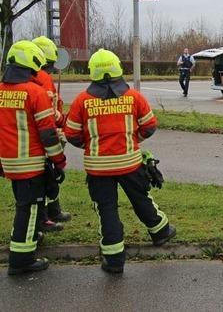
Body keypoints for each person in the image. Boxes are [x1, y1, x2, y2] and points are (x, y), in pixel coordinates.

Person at [64, 49, 176, 273]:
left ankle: (114, 260)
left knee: (107, 209)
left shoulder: (82, 101)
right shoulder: (133, 96)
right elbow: (150, 126)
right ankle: (161, 231)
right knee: (141, 198)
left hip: (98, 167)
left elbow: (71, 134)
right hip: (129, 162)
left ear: (92, 72)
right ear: (118, 69)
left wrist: (91, 146)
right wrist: (134, 139)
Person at [0, 40, 66, 275]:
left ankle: (32, 238)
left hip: (9, 162)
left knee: (25, 206)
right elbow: (48, 134)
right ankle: (21, 260)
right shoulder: (34, 92)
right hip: (30, 161)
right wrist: (59, 161)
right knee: (27, 210)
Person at [32, 36, 71, 232]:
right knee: (49, 175)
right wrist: (62, 121)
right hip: (46, 133)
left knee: (49, 174)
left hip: (35, 134)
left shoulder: (31, 76)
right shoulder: (43, 78)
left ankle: (52, 210)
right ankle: (46, 216)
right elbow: (48, 110)